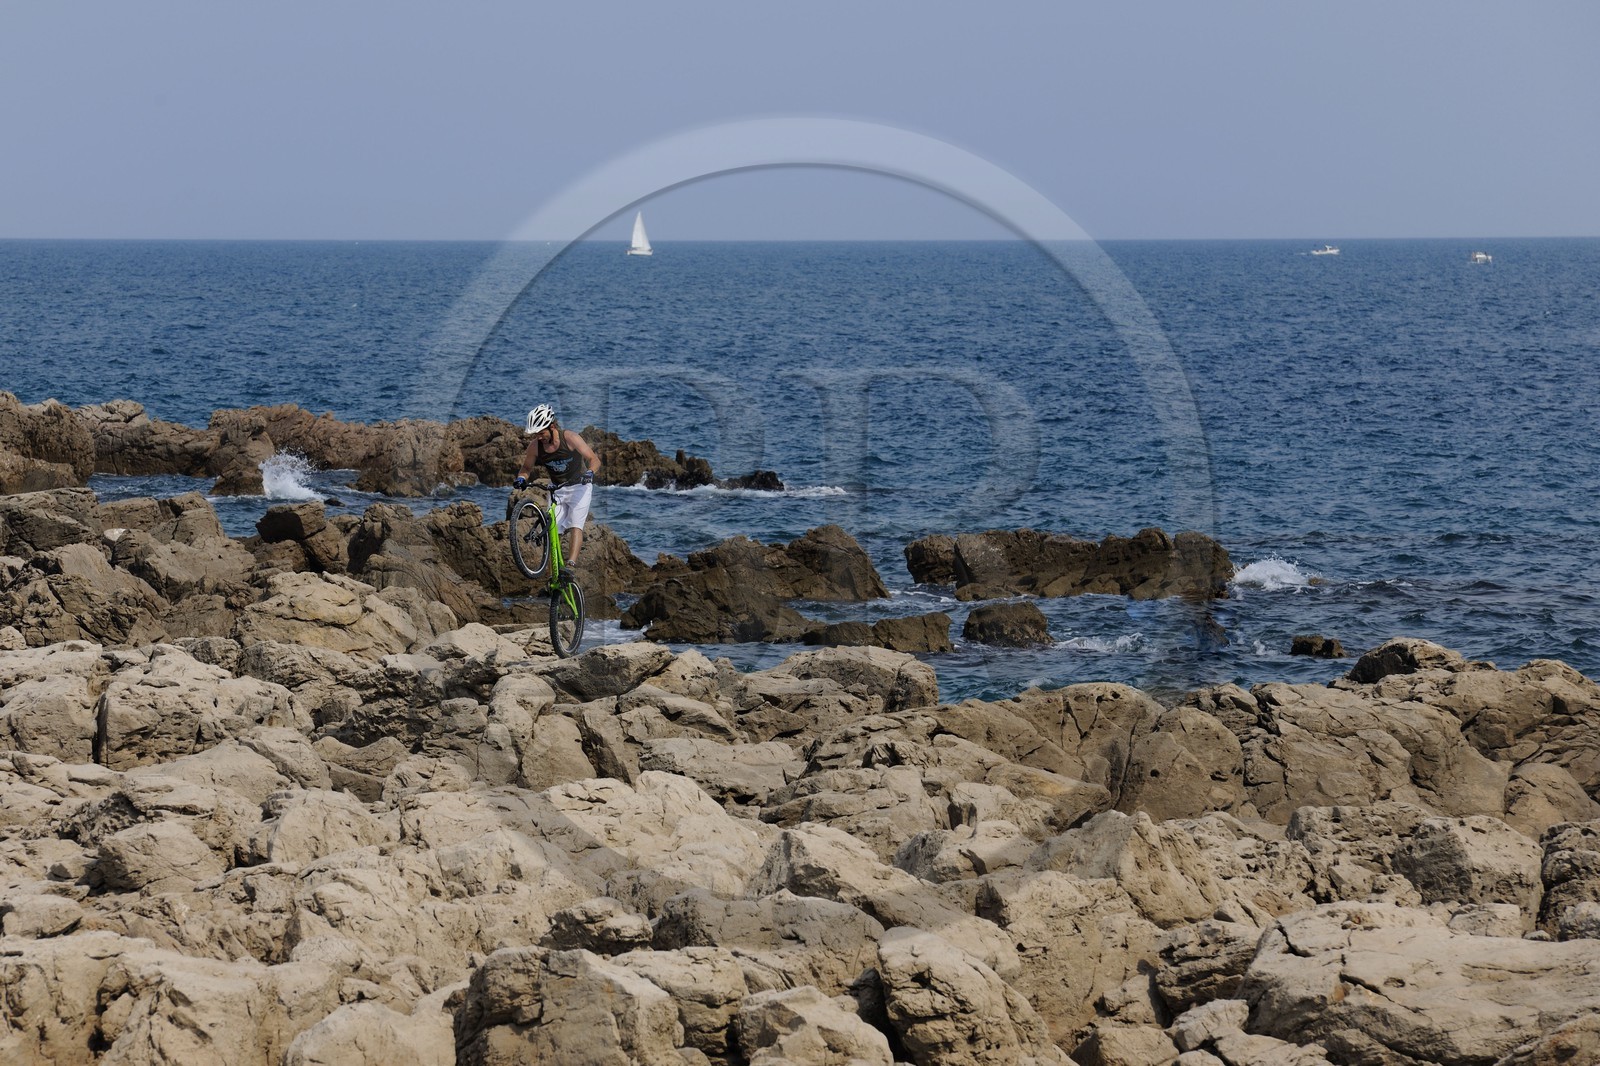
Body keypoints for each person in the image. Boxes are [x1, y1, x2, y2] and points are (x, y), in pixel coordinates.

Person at [513, 404, 602, 572]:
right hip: (557, 490)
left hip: (580, 487)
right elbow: (526, 468)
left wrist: (590, 473)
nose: (539, 437)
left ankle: (570, 566)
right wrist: (520, 478)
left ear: (552, 426)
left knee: (576, 525)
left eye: (541, 433)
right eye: (536, 434)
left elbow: (594, 459)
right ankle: (555, 574)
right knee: (554, 531)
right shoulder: (535, 446)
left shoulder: (570, 438)